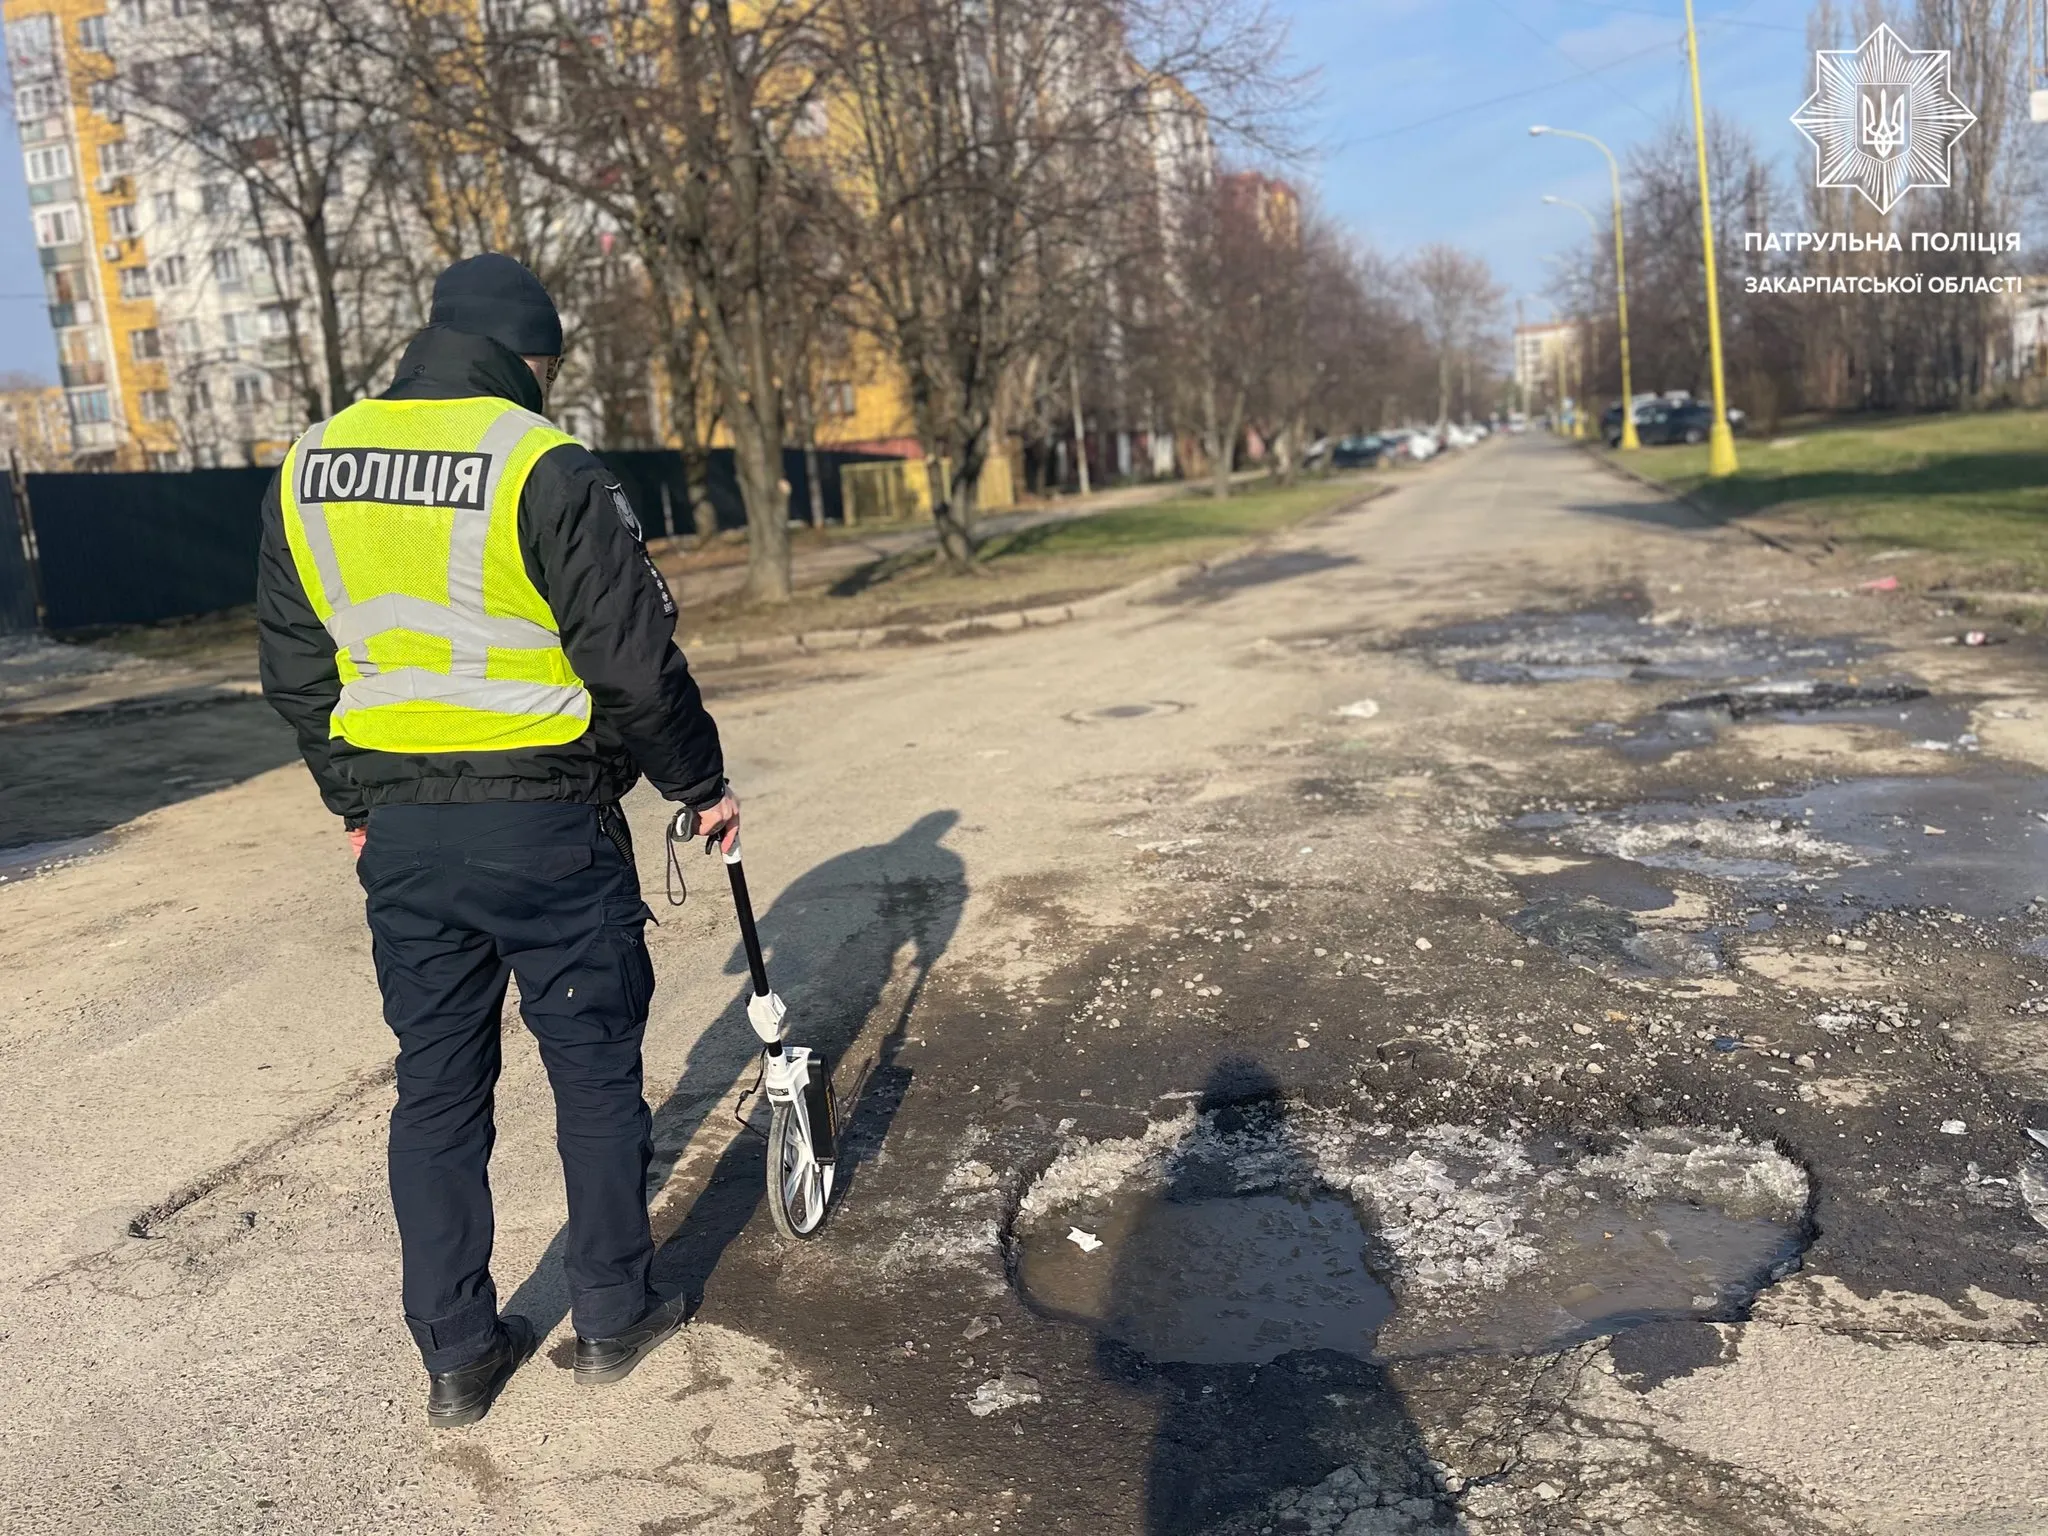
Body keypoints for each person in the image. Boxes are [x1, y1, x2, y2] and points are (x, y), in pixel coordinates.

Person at [257, 252, 738, 1427]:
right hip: (547, 825)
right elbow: (630, 663)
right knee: (589, 1074)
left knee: (434, 1090)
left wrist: (357, 803)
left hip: (409, 836)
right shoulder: (538, 462)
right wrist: (699, 780)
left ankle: (457, 1355)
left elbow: (292, 663)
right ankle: (615, 1311)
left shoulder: (311, 464)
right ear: (529, 352)